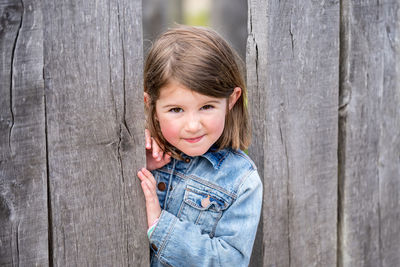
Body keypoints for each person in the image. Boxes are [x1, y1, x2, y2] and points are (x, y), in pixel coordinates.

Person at [137, 25, 262, 267]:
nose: (193, 125)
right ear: (151, 104)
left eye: (206, 107)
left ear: (231, 100)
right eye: (176, 110)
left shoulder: (240, 181)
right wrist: (138, 164)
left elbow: (231, 261)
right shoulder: (140, 153)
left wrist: (159, 225)